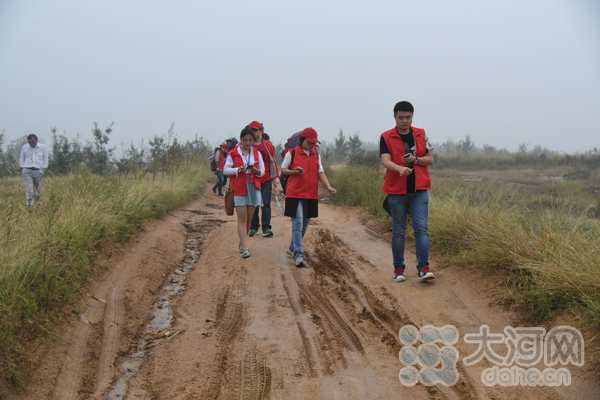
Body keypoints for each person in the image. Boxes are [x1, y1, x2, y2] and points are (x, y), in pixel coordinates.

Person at [380, 101, 435, 282]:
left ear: (412, 117)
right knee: (399, 231)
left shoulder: (421, 134)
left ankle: (423, 268)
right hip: (396, 191)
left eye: (408, 117)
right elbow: (385, 160)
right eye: (401, 117)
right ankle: (398, 270)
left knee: (421, 228)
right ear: (394, 117)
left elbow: (430, 158)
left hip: (419, 190)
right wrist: (399, 169)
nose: (404, 121)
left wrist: (416, 160)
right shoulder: (386, 137)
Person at [282, 127, 336, 267]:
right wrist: (294, 172)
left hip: (310, 194)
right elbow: (283, 170)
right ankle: (298, 254)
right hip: (295, 193)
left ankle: (293, 247)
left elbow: (320, 172)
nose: (312, 145)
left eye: (314, 143)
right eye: (310, 142)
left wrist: (328, 186)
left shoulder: (316, 154)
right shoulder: (292, 153)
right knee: (298, 222)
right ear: (303, 140)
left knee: (305, 223)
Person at [223, 127, 265, 258]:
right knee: (242, 219)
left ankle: (242, 244)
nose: (247, 143)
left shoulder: (257, 153)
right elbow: (225, 170)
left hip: (253, 188)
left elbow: (262, 172)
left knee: (249, 219)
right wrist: (238, 170)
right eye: (245, 140)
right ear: (241, 139)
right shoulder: (233, 153)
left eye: (250, 140)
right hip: (239, 188)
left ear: (253, 140)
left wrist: (256, 171)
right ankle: (244, 247)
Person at [247, 120, 280, 238]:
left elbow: (272, 162)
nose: (254, 132)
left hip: (266, 179)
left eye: (256, 130)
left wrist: (275, 179)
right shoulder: (248, 145)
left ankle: (266, 227)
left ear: (261, 131)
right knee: (254, 203)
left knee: (265, 203)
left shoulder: (268, 145)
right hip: (252, 179)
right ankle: (253, 227)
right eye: (251, 130)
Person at [19, 133, 48, 208]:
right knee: (29, 189)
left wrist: (43, 169)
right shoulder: (24, 147)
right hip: (27, 170)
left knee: (38, 190)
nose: (31, 143)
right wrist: (22, 168)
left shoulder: (43, 147)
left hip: (38, 171)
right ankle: (29, 205)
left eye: (33, 142)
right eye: (30, 142)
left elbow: (45, 158)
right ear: (28, 141)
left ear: (36, 140)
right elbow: (21, 158)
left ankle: (38, 205)